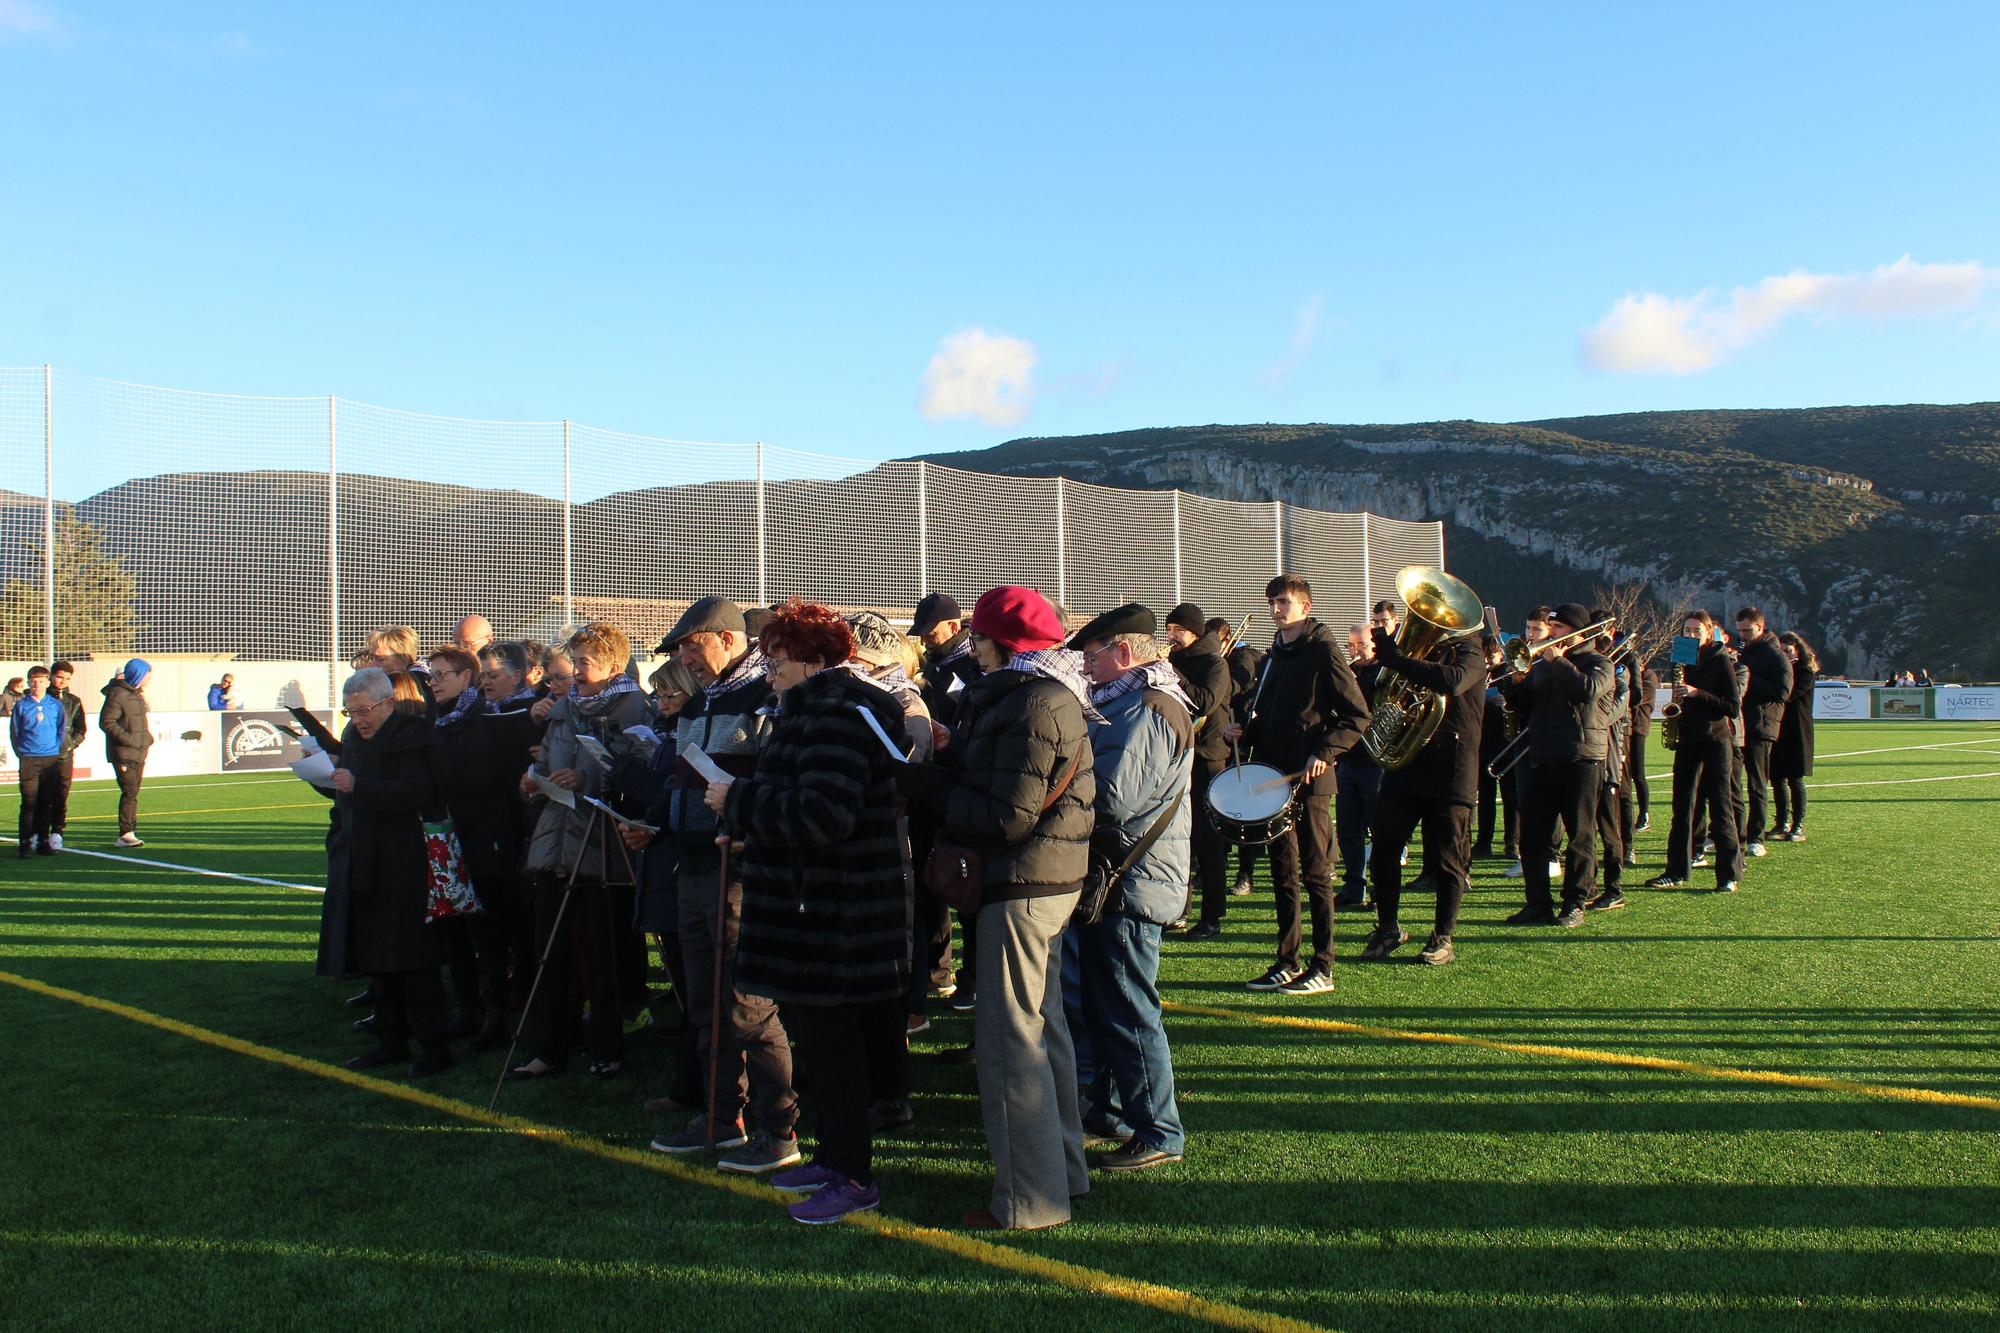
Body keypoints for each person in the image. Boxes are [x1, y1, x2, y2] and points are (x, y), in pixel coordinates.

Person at [894, 585, 1095, 1231]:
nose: (972, 650)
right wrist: (955, 754)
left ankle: (1029, 1200)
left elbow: (1008, 816)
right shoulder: (1042, 695)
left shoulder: (1035, 703)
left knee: (1012, 1044)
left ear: (1004, 644)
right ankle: (1063, 1172)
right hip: (1044, 879)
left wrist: (926, 782)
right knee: (1045, 1030)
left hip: (1023, 883)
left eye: (980, 639)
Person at [703, 602, 910, 1224]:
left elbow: (823, 817)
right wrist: (750, 825)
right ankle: (835, 1156)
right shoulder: (816, 713)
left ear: (817, 661)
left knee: (837, 1052)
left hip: (831, 916)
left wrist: (739, 800)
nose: (768, 670)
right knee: (824, 1050)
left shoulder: (837, 718)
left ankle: (853, 1176)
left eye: (780, 658)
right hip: (816, 909)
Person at [646, 597, 800, 1173]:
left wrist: (746, 832)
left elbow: (776, 782)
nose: (685, 655)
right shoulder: (701, 699)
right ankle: (720, 1116)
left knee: (748, 1006)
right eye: (682, 647)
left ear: (730, 640)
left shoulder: (767, 698)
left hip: (738, 871)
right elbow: (684, 779)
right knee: (706, 1003)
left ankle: (778, 1128)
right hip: (691, 866)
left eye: (694, 643)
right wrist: (658, 823)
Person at [1066, 603, 1191, 1172]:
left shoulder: (1147, 710)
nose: (1085, 667)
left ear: (1122, 653)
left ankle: (1159, 1129)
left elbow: (1114, 799)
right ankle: (1116, 1110)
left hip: (1132, 882)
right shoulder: (1140, 703)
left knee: (1129, 1008)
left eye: (1091, 656)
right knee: (1110, 1001)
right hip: (1128, 879)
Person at [514, 622, 652, 1082]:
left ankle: (607, 1046)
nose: (576, 672)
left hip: (601, 845)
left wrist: (585, 779)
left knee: (602, 954)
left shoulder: (633, 706)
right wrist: (535, 779)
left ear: (613, 665)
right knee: (549, 952)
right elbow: (548, 759)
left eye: (584, 663)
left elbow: (635, 771)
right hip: (556, 841)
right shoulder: (565, 707)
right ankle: (549, 1046)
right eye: (572, 663)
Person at [1222, 574, 1370, 994]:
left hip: (1310, 782)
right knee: (1283, 874)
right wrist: (1243, 734)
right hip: (1272, 779)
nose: (1275, 609)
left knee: (1316, 874)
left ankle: (1323, 966)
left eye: (1284, 602)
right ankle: (1287, 960)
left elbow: (1356, 716)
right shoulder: (1273, 656)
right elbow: (1266, 716)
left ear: (1305, 607)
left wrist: (1324, 753)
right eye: (1272, 602)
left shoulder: (1324, 652)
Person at [331, 667, 454, 1077]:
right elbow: (350, 786)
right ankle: (390, 1041)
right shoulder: (354, 739)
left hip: (407, 863)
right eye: (351, 712)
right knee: (378, 961)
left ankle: (435, 1048)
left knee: (415, 962)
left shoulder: (414, 737)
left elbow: (417, 793)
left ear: (387, 703)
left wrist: (357, 787)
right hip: (365, 860)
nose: (359, 720)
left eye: (364, 710)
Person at [1358, 619, 1485, 965]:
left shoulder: (1470, 649)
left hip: (1452, 769)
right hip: (1407, 765)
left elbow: (1453, 681)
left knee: (1448, 858)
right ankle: (1387, 927)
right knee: (1384, 848)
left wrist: (1397, 659)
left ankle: (1443, 936)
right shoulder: (1420, 650)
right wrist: (1382, 664)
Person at [1500, 604, 1613, 928]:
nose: (1552, 633)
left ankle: (1575, 902)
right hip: (1540, 755)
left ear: (1576, 631)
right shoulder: (1543, 665)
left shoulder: (1599, 663)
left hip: (1580, 758)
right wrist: (1517, 682)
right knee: (1534, 835)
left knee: (1580, 834)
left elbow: (1586, 691)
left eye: (1560, 627)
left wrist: (1558, 661)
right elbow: (1524, 707)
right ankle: (1537, 903)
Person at [1646, 611, 1744, 892]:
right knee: (1683, 808)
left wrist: (1696, 692)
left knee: (1721, 807)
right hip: (1688, 739)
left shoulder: (1721, 658)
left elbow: (1732, 706)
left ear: (1708, 632)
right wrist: (1679, 695)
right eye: (1686, 630)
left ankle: (1728, 875)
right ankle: (1676, 870)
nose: (1690, 635)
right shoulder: (1682, 654)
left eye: (1696, 630)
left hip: (1715, 740)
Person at [1164, 602, 1230, 939]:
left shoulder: (1214, 663)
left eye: (1177, 630)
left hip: (1207, 756)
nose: (1171, 637)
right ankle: (1179, 910)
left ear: (1194, 631)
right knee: (1178, 841)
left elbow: (1205, 701)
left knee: (1206, 841)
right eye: (1169, 630)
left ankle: (1212, 914)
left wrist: (1171, 674)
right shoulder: (1175, 661)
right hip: (1178, 754)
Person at [1733, 607, 1793, 858]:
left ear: (1761, 626)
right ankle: (1732, 834)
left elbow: (1783, 691)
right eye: (1740, 631)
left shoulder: (1775, 655)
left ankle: (1756, 837)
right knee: (1732, 783)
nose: (1743, 635)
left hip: (1760, 726)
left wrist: (1747, 677)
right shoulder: (1745, 652)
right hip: (1740, 725)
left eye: (1747, 630)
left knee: (1757, 784)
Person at [1333, 623, 1383, 909]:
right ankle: (1354, 887)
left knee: (1378, 829)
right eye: (1351, 646)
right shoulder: (1351, 672)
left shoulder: (1383, 673)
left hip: (1375, 760)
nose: (1355, 652)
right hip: (1350, 758)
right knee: (1348, 829)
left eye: (1360, 646)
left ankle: (1380, 888)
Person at [1220, 618, 1266, 897]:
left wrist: (1214, 674)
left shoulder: (1246, 656)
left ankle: (1245, 873)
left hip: (1248, 739)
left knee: (1248, 814)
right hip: (1231, 738)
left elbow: (1237, 685)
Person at [99, 658, 153, 848]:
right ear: (138, 673)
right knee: (129, 791)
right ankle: (125, 833)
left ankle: (130, 830)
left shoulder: (136, 694)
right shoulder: (118, 694)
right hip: (124, 753)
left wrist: (146, 739)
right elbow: (107, 722)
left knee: (133, 792)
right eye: (147, 673)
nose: (149, 677)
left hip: (138, 752)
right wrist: (130, 739)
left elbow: (139, 722)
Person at [11, 666, 64, 857]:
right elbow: (15, 732)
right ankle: (25, 843)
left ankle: (43, 841)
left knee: (46, 802)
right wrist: (23, 753)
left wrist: (54, 749)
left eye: (41, 681)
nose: (37, 685)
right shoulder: (22, 705)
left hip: (49, 758)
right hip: (29, 759)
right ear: (29, 683)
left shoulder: (55, 704)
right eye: (33, 681)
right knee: (29, 801)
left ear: (47, 683)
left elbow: (61, 729)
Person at [1771, 632, 1819, 841]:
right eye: (1781, 651)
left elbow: (1789, 694)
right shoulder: (1778, 669)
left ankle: (1797, 825)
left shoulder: (1805, 671)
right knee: (1777, 777)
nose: (1785, 654)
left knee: (1795, 778)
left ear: (1797, 650)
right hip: (1778, 726)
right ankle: (1781, 822)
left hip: (1798, 728)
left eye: (1788, 650)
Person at [1472, 635, 1512, 859]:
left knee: (1510, 797)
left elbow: (1505, 699)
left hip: (1505, 743)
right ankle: (1483, 842)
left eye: (1491, 655)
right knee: (1485, 796)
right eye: (1484, 655)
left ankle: (1511, 843)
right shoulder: (1479, 674)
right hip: (1483, 743)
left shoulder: (1506, 672)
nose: (1488, 660)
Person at [912, 592, 981, 722]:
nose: (923, 643)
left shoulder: (978, 665)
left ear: (953, 627)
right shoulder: (934, 662)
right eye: (920, 635)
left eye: (931, 635)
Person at [46, 660, 86, 852]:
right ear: (51, 675)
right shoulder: (40, 697)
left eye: (67, 678)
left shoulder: (74, 701)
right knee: (40, 795)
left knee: (61, 795)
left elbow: (80, 729)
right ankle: (38, 832)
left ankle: (57, 833)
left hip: (65, 757)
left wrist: (69, 745)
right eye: (59, 676)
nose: (62, 681)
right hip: (42, 756)